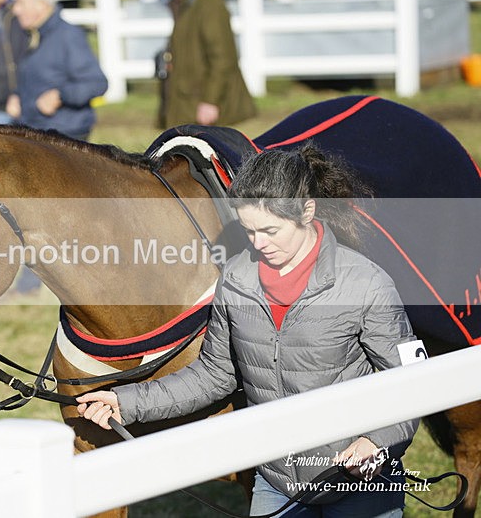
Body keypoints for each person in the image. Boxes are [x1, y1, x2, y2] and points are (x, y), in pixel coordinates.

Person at [78, 144, 420, 516]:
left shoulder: (366, 284)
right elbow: (213, 375)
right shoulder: (237, 279)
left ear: (307, 210)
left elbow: (412, 382)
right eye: (249, 230)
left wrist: (377, 441)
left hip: (359, 483)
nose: (258, 244)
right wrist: (127, 401)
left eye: (271, 231)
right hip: (276, 483)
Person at [8, 0, 108, 141]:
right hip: (34, 130)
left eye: (20, 3)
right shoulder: (32, 35)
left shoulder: (68, 36)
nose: (15, 10)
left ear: (40, 5)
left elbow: (96, 83)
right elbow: (36, 78)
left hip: (64, 136)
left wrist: (60, 95)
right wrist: (17, 95)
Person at [158, 0, 255, 128]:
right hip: (187, 101)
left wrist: (210, 101)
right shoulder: (186, 3)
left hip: (201, 102)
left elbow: (223, 58)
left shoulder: (209, 4)